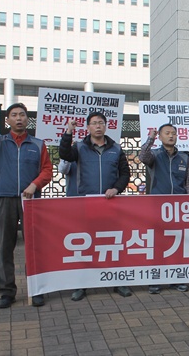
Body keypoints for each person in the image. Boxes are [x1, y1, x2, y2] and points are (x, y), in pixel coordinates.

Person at [0, 97, 52, 308]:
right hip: (6, 198)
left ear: (28, 120)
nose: (19, 118)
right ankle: (7, 292)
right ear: (8, 120)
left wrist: (35, 185)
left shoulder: (37, 144)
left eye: (22, 115)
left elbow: (46, 171)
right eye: (14, 115)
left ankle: (37, 289)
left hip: (31, 201)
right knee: (6, 246)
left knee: (34, 247)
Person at [59, 112, 132, 300]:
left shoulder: (116, 148)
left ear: (106, 126)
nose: (98, 126)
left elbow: (125, 173)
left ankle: (117, 282)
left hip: (110, 204)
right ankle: (82, 285)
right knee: (86, 245)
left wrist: (116, 188)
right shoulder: (80, 147)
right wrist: (68, 132)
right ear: (88, 127)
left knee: (113, 244)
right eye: (94, 123)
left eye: (101, 123)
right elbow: (64, 154)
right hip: (86, 203)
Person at [139, 124, 189, 294]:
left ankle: (177, 279)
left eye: (174, 133)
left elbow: (188, 182)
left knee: (178, 244)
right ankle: (156, 280)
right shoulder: (155, 155)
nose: (171, 136)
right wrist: (150, 138)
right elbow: (142, 156)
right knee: (159, 244)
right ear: (160, 137)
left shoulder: (184, 157)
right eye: (167, 133)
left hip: (179, 209)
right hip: (158, 208)